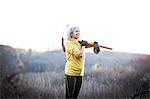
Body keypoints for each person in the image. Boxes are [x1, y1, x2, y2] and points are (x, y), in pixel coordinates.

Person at [64, 25, 88, 99]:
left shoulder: (78, 42)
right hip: (71, 73)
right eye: (76, 31)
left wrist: (94, 45)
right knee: (69, 96)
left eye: (79, 31)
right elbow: (79, 54)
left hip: (79, 73)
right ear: (71, 33)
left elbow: (87, 45)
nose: (78, 33)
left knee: (75, 96)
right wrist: (84, 46)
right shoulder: (69, 43)